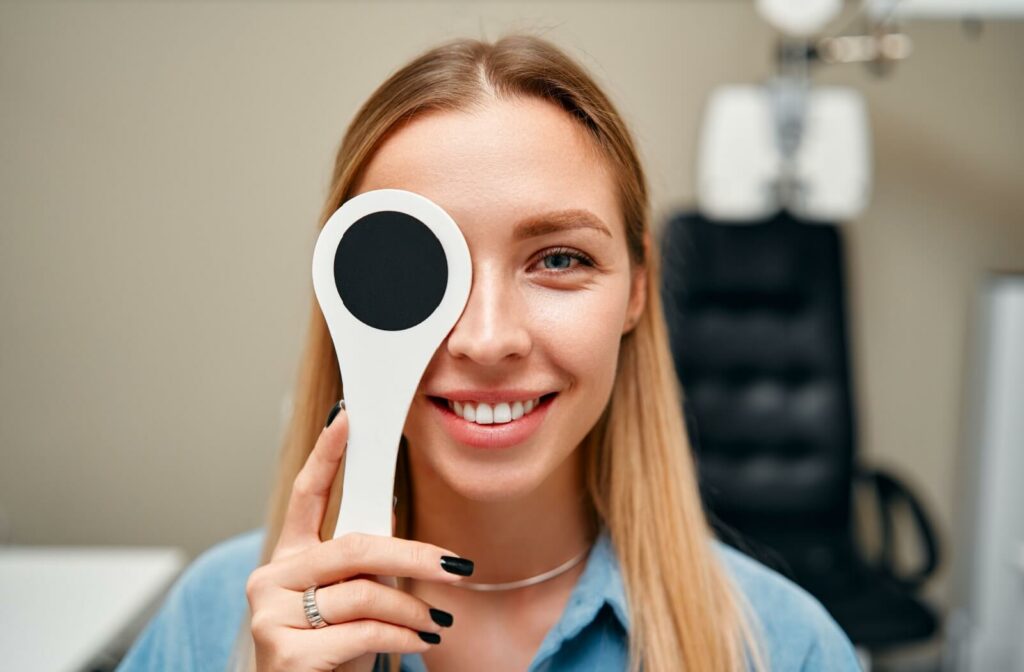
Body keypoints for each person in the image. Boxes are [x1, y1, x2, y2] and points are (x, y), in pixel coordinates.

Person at [117, 35, 861, 672]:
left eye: (560, 259)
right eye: (422, 273)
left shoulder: (785, 648)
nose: (488, 338)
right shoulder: (209, 624)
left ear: (638, 287)